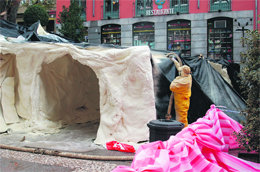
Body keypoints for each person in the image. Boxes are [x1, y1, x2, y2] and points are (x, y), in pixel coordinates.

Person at [169, 55, 192, 127]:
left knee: (181, 118)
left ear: (184, 72)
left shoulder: (185, 81)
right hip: (180, 101)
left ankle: (183, 131)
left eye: (181, 71)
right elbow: (179, 67)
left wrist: (176, 79)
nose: (179, 71)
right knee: (180, 117)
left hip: (182, 103)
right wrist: (173, 59)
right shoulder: (187, 75)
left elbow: (172, 87)